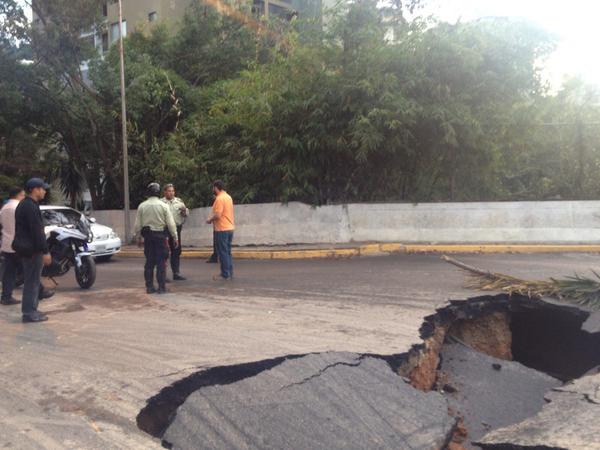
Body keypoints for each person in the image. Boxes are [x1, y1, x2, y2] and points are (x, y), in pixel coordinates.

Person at [12, 178, 52, 323]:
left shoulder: (27, 204)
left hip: (27, 249)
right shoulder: (29, 206)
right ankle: (29, 312)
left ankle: (32, 309)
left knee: (33, 281)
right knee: (32, 282)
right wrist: (45, 251)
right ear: (35, 189)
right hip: (31, 250)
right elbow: (37, 231)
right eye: (42, 188)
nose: (45, 191)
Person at [134, 182, 178, 294]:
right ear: (159, 193)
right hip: (161, 237)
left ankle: (149, 287)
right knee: (161, 263)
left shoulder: (142, 206)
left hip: (148, 238)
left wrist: (138, 238)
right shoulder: (164, 206)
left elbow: (137, 225)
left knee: (149, 262)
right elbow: (171, 224)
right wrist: (175, 237)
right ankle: (161, 287)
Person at [0, 187, 26, 305]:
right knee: (29, 268)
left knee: (9, 272)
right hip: (18, 244)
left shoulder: (4, 208)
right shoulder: (19, 207)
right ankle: (40, 291)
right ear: (19, 195)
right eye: (23, 195)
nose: (24, 197)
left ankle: (6, 296)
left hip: (6, 244)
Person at [206, 180, 235, 280]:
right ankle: (229, 272)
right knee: (227, 251)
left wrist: (209, 219)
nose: (212, 189)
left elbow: (218, 215)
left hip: (222, 229)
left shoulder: (219, 199)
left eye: (213, 187)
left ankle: (225, 274)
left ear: (216, 187)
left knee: (222, 252)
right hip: (230, 227)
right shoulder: (228, 197)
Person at [162, 184, 189, 281]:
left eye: (172, 191)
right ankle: (163, 274)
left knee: (176, 251)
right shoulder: (161, 203)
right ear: (165, 192)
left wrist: (184, 212)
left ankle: (176, 273)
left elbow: (185, 214)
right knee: (164, 252)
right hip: (165, 230)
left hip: (177, 229)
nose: (171, 193)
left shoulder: (179, 202)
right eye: (169, 191)